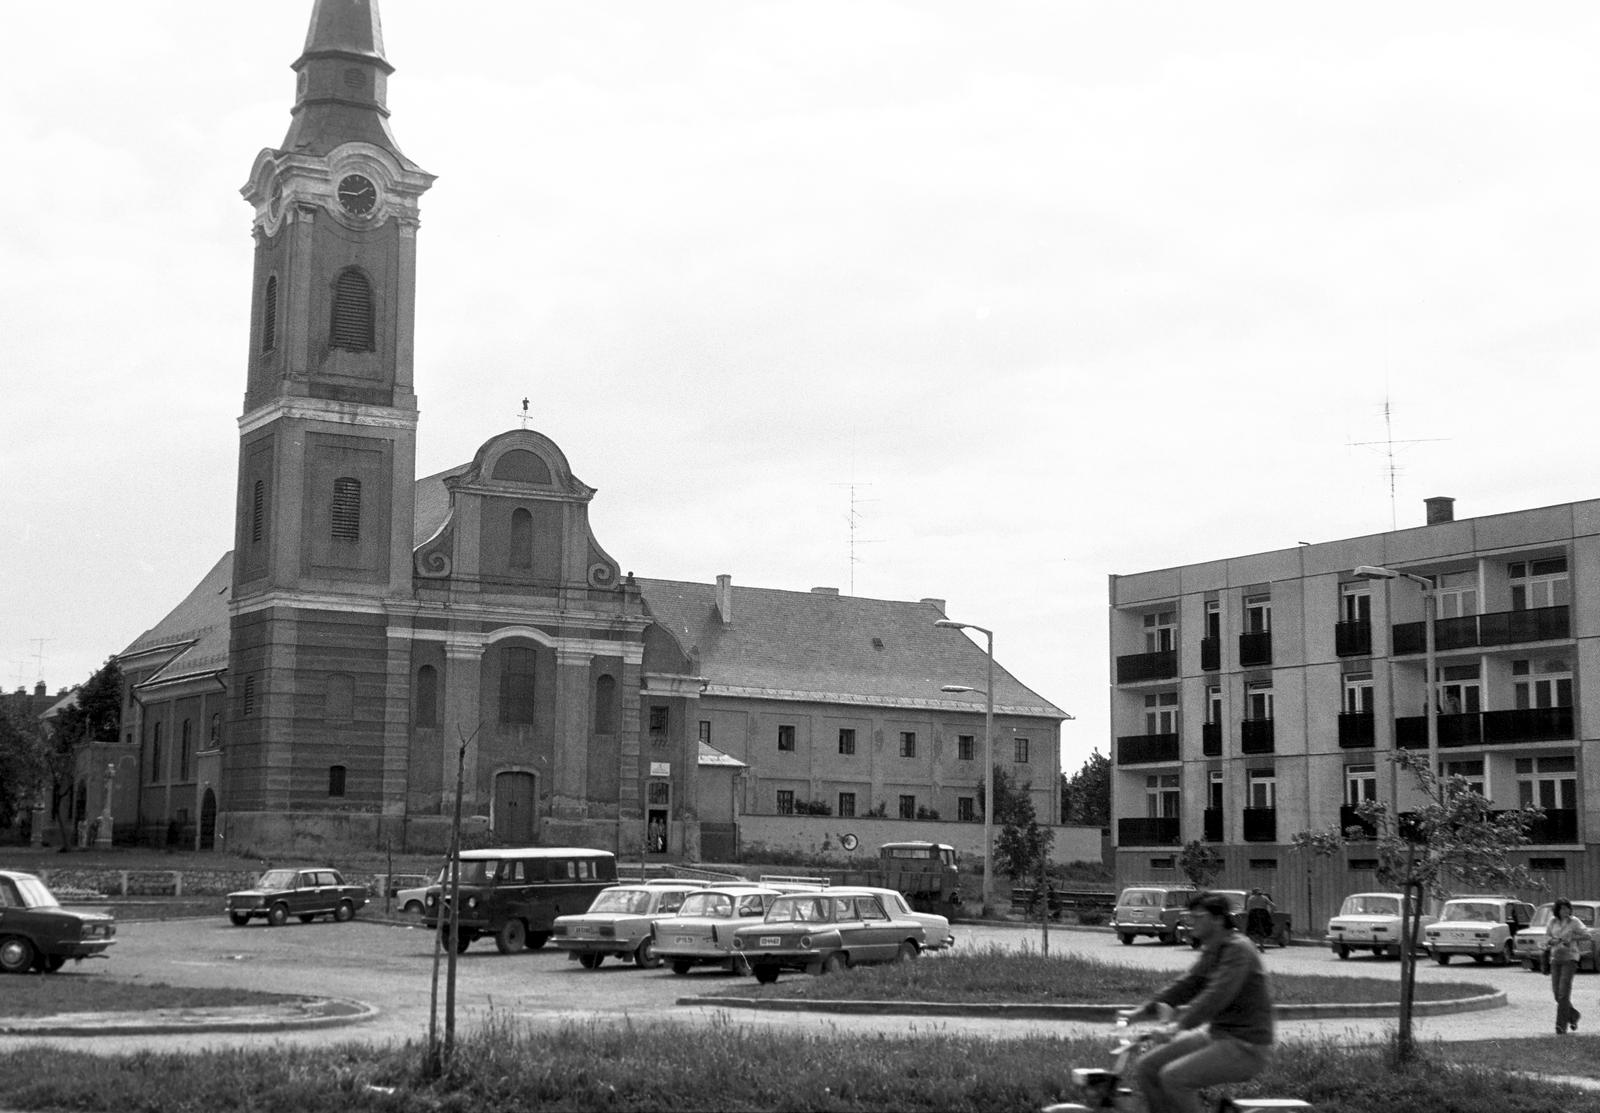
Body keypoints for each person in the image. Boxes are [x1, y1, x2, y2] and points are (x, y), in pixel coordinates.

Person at [1125, 890, 1275, 1113]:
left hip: (1246, 1045)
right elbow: (1187, 984)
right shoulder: (1213, 949)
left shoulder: (1238, 949)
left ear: (1217, 919)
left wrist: (1178, 1026)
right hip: (1217, 1036)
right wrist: (1141, 1012)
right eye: (1190, 916)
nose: (1191, 921)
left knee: (1174, 1078)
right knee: (1147, 1067)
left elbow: (1216, 996)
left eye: (1198, 917)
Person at [1544, 898, 1590, 1035]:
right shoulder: (1552, 922)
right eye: (1562, 908)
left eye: (1567, 908)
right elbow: (1546, 938)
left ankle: (1560, 1028)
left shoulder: (1574, 922)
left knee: (1564, 993)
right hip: (1555, 959)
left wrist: (1573, 938)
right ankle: (1573, 1015)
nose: (1565, 911)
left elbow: (1587, 935)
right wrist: (1553, 941)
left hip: (1570, 959)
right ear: (1557, 910)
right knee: (1557, 995)